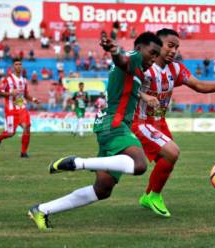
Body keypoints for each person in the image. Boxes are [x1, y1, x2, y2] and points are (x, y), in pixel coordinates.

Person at [27, 32, 162, 231]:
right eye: (152, 53)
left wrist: (143, 96)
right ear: (140, 48)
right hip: (113, 124)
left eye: (156, 55)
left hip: (109, 125)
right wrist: (114, 50)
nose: (153, 58)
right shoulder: (132, 57)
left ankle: (42, 210)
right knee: (139, 164)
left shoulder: (137, 72)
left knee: (103, 189)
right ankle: (76, 162)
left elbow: (125, 81)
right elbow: (122, 60)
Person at [131, 28, 215, 217]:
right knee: (172, 153)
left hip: (160, 122)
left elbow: (198, 85)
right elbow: (127, 86)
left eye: (177, 47)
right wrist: (144, 95)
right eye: (170, 46)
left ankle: (148, 196)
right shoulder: (144, 66)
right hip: (140, 121)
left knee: (167, 160)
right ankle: (154, 196)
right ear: (158, 45)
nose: (174, 51)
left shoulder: (176, 68)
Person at [0, 58, 40, 157]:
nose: (18, 66)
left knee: (27, 127)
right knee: (10, 133)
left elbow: (26, 94)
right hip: (11, 109)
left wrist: (34, 99)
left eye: (20, 64)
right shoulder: (8, 79)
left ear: (21, 66)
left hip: (22, 108)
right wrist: (10, 93)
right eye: (16, 64)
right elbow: (0, 92)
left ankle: (23, 152)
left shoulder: (24, 80)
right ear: (13, 67)